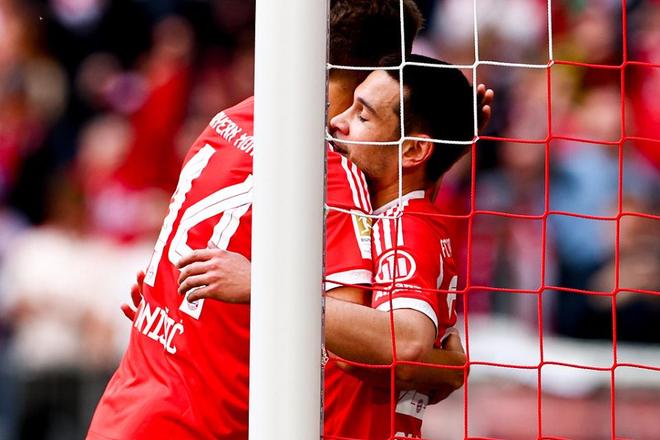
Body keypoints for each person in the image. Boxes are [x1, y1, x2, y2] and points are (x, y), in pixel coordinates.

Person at [87, 1, 434, 439]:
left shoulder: (230, 118)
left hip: (124, 410)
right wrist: (448, 364)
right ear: (383, 70)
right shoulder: (327, 173)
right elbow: (363, 354)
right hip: (196, 428)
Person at [177, 54, 475, 439]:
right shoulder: (386, 213)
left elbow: (405, 342)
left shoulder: (405, 225)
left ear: (414, 151)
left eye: (362, 116)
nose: (337, 121)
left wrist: (260, 285)